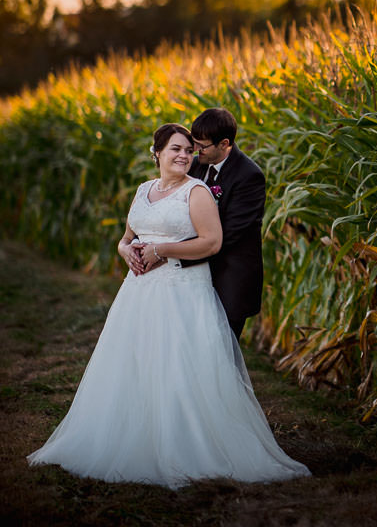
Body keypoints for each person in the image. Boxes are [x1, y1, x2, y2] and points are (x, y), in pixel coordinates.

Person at [28, 123, 309, 488]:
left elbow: (211, 243)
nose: (184, 155)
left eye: (189, 150)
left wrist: (162, 250)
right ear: (156, 153)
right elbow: (127, 237)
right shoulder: (144, 190)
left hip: (183, 290)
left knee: (179, 365)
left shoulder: (198, 192)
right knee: (134, 362)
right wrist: (126, 250)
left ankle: (185, 444)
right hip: (139, 292)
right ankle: (129, 436)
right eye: (175, 149)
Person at [184, 107, 265, 338]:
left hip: (230, 277)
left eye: (202, 145)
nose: (195, 150)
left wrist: (175, 253)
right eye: (194, 142)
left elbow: (230, 233)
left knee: (222, 350)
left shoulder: (249, 176)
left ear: (224, 143)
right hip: (195, 276)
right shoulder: (195, 164)